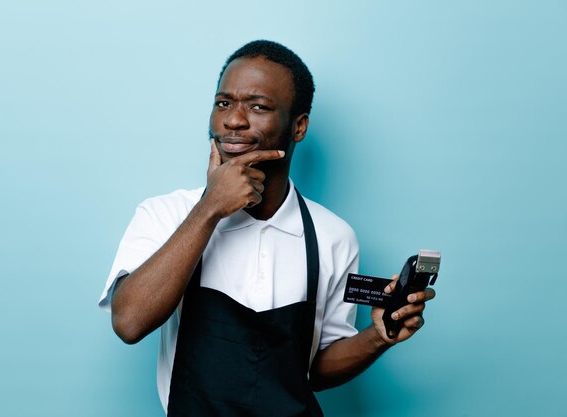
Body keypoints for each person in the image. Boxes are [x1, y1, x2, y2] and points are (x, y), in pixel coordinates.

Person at [98, 40, 436, 417]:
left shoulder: (333, 238)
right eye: (223, 103)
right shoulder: (165, 214)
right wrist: (209, 208)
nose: (233, 121)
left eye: (258, 106)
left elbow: (311, 370)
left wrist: (378, 337)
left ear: (299, 126)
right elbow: (128, 322)